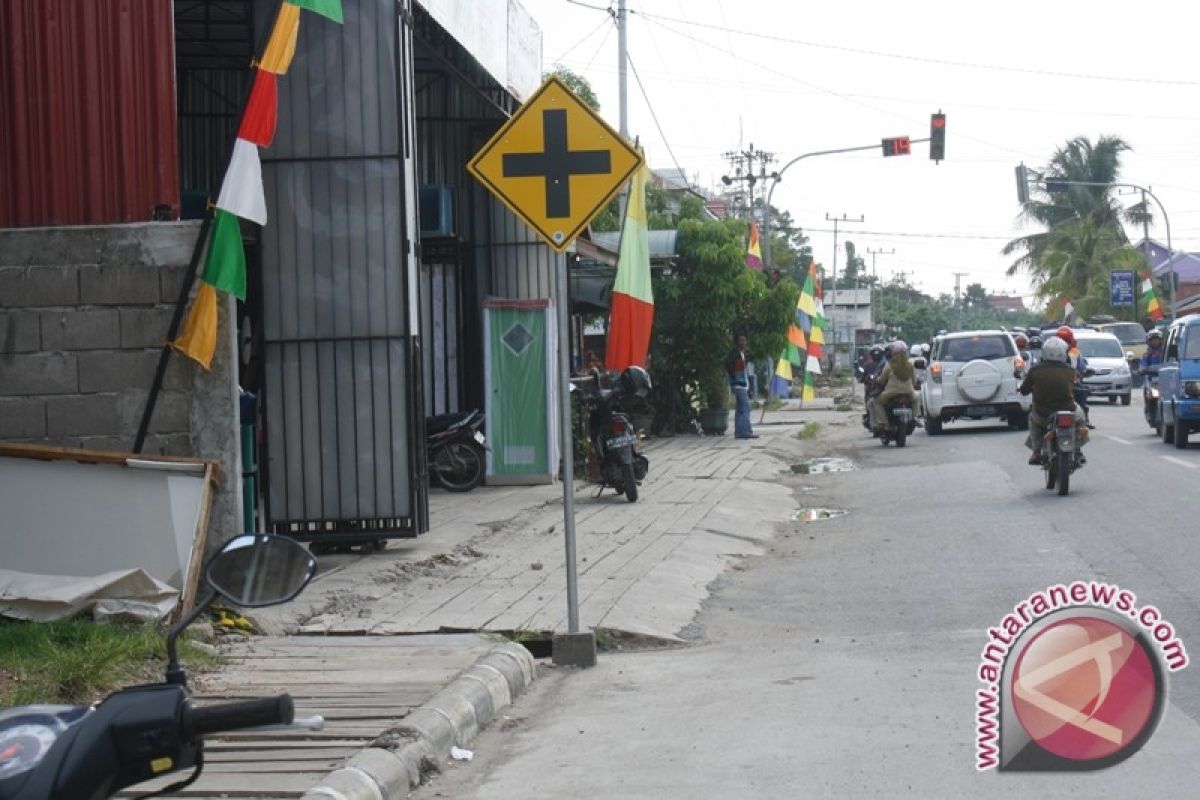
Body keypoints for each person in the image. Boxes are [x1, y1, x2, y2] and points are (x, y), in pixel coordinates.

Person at [1019, 335, 1088, 465]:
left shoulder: (1034, 370)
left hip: (1042, 413)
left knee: (1033, 421)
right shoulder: (1070, 370)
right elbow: (1075, 385)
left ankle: (1036, 452)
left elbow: (1024, 390)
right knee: (1081, 419)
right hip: (1068, 410)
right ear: (1063, 353)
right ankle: (1078, 450)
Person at [870, 340, 918, 431]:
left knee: (876, 401)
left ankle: (883, 423)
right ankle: (914, 417)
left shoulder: (889, 365)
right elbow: (914, 380)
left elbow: (882, 379)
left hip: (890, 393)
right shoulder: (910, 365)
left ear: (893, 353)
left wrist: (877, 380)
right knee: (918, 397)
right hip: (908, 392)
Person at [1057, 325, 1094, 429]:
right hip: (1062, 383)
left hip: (1070, 383)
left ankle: (1083, 417)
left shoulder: (1074, 352)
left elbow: (1080, 367)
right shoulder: (1051, 352)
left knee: (1082, 392)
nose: (1064, 344)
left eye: (1065, 341)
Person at [726, 334, 758, 439]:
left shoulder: (742, 354)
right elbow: (728, 365)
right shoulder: (735, 354)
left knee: (740, 409)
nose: (743, 343)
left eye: (745, 340)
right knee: (745, 408)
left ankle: (739, 432)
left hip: (743, 385)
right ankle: (745, 431)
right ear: (737, 342)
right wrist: (734, 377)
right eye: (741, 340)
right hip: (738, 385)